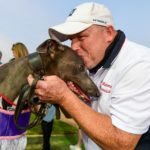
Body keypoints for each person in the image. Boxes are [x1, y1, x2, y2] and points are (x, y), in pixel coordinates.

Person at [27, 2, 150, 150]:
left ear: (109, 33)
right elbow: (81, 113)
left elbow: (122, 143)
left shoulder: (139, 64)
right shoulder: (92, 62)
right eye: (71, 39)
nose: (74, 47)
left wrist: (64, 96)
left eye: (81, 37)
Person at [0, 42, 29, 150]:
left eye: (14, 52)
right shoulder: (15, 64)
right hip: (16, 106)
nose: (13, 54)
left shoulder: (21, 67)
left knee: (10, 135)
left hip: (14, 105)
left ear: (18, 51)